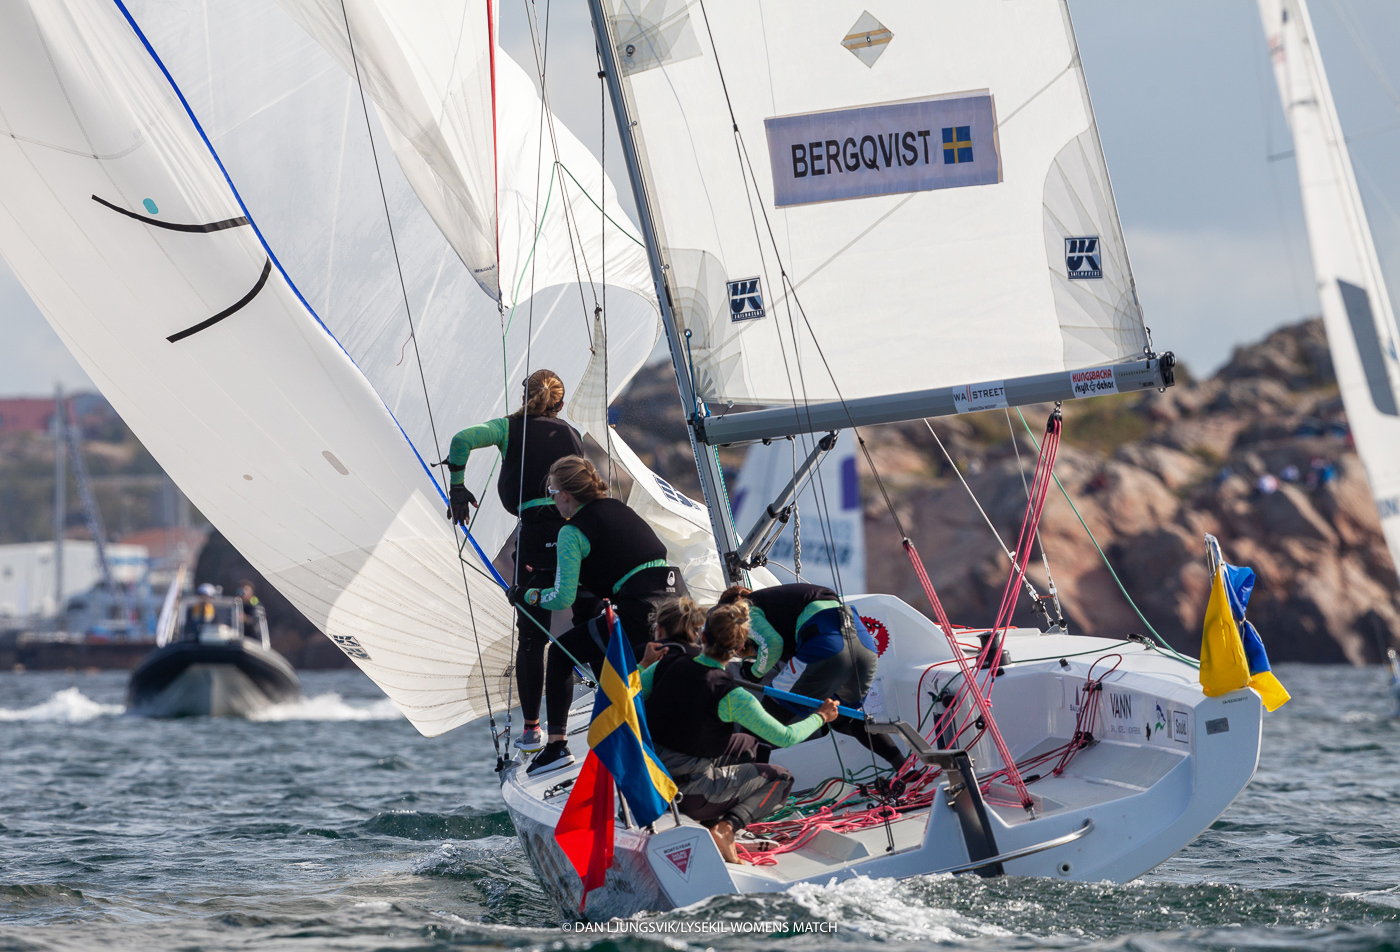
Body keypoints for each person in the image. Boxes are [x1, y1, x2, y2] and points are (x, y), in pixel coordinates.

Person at [445, 369, 588, 754]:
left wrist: (457, 488)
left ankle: (532, 730)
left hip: (535, 537)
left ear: (525, 397)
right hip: (575, 535)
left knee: (532, 640)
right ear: (560, 402)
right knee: (586, 626)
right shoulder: (572, 434)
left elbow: (461, 440)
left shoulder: (508, 427)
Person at [518, 455, 686, 775]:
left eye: (552, 492)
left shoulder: (572, 531)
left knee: (560, 654)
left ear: (566, 494)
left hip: (641, 608)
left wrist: (527, 595)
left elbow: (561, 598)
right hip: (676, 597)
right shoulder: (619, 508)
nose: (552, 500)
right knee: (658, 669)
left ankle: (555, 747)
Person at [643, 602, 839, 863]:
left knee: (747, 744)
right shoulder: (731, 695)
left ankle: (712, 820)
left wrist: (643, 662)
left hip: (650, 778)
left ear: (702, 637)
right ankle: (726, 829)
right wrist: (821, 717)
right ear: (738, 649)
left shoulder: (664, 666)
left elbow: (627, 693)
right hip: (685, 793)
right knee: (780, 779)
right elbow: (785, 737)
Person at [719, 583, 908, 770]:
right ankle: (906, 769)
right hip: (864, 647)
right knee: (844, 718)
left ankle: (735, 784)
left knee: (762, 721)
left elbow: (773, 644)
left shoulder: (743, 609)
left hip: (828, 645)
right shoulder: (778, 605)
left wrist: (754, 673)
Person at [640, 595, 705, 670]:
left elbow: (628, 680)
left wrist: (645, 663)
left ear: (659, 629)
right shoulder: (700, 659)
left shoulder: (642, 653)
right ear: (694, 635)